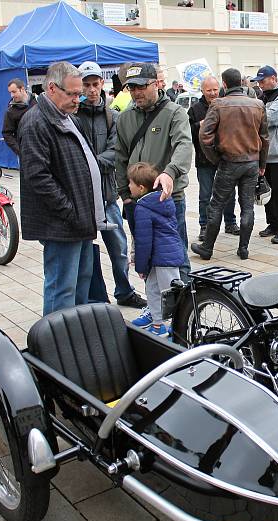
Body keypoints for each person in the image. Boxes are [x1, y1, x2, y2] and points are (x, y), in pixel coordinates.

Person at [19, 61, 108, 316]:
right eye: (72, 93)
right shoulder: (36, 122)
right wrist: (70, 211)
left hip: (81, 222)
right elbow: (38, 177)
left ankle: (76, 340)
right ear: (52, 88)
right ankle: (55, 347)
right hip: (62, 225)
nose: (77, 99)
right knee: (62, 290)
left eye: (79, 93)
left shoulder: (69, 118)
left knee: (80, 287)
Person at [75, 61, 146, 310]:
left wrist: (87, 163)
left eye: (95, 84)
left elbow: (115, 153)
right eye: (86, 85)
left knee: (119, 248)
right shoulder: (72, 117)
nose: (92, 90)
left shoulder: (112, 116)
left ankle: (124, 291)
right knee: (84, 253)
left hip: (107, 196)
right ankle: (91, 299)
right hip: (81, 198)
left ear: (102, 85)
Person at [112, 63, 194, 281]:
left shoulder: (175, 113)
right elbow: (119, 157)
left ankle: (184, 308)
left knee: (176, 257)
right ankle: (157, 304)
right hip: (136, 200)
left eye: (142, 86)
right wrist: (125, 194)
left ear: (156, 84)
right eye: (132, 88)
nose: (137, 92)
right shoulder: (125, 117)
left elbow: (184, 146)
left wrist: (170, 172)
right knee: (145, 255)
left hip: (167, 198)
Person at [193, 68, 269, 260]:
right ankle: (243, 248)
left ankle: (208, 248)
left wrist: (215, 158)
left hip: (229, 161)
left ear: (224, 85)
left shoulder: (219, 104)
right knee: (247, 207)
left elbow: (204, 135)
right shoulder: (258, 104)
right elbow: (265, 137)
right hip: (251, 161)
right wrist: (262, 163)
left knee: (216, 205)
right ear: (242, 83)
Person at [129, 163, 184, 335]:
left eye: (130, 183)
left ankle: (179, 327)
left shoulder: (143, 208)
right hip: (159, 258)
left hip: (165, 259)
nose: (127, 186)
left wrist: (141, 266)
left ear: (141, 187)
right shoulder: (163, 200)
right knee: (152, 289)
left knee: (171, 294)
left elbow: (144, 242)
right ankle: (157, 322)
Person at [189, 76, 240, 241]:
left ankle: (230, 222)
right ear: (202, 91)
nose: (212, 93)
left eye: (215, 89)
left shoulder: (227, 105)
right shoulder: (195, 109)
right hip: (204, 160)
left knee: (229, 192)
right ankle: (204, 226)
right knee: (205, 195)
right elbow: (188, 132)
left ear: (220, 88)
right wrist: (199, 125)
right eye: (208, 90)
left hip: (226, 157)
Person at [252, 65, 278, 244]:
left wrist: (254, 112)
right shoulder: (262, 97)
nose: (260, 84)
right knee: (266, 191)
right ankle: (273, 224)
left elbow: (271, 117)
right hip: (264, 154)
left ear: (273, 78)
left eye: (263, 80)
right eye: (258, 81)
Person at [2, 77, 37, 156]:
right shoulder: (10, 112)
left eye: (14, 92)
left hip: (44, 148)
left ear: (22, 89)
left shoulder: (37, 101)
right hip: (27, 154)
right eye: (10, 92)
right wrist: (20, 151)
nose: (12, 95)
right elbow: (7, 134)